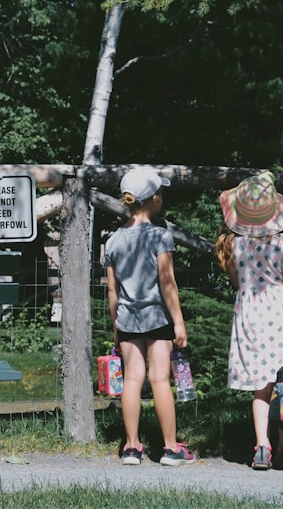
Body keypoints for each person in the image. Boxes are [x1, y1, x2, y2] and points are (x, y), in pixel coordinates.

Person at [103, 167, 194, 467]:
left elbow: (112, 291)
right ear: (154, 198)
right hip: (157, 317)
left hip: (127, 319)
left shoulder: (113, 241)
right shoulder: (160, 236)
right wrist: (178, 322)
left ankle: (131, 447)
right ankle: (170, 448)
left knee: (132, 379)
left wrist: (116, 325)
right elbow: (168, 283)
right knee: (159, 380)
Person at [216, 171, 283, 471]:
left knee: (261, 387)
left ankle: (262, 446)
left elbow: (238, 283)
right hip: (278, 313)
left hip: (249, 315)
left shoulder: (235, 246)